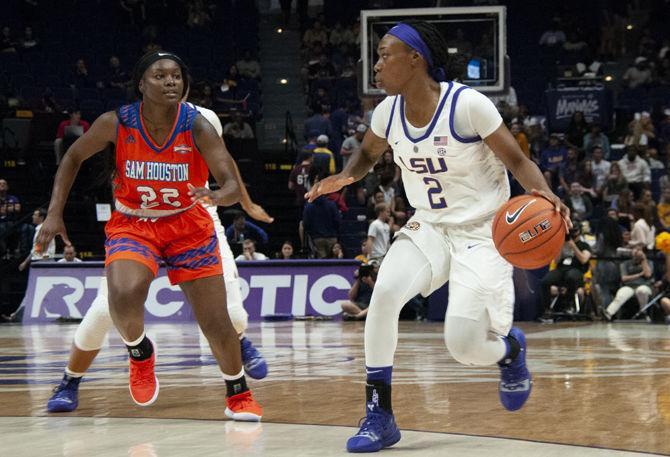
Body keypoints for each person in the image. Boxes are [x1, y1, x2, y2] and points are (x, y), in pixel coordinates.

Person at [306, 21, 569, 453]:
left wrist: (547, 194)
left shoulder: (468, 105)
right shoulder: (386, 113)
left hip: (485, 232)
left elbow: (518, 161)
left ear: (416, 59)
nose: (376, 63)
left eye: (385, 53)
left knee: (463, 346)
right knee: (386, 293)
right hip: (429, 224)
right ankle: (379, 414)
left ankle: (509, 351)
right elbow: (368, 155)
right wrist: (344, 176)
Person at [36, 51, 262, 421]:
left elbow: (231, 182)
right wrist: (54, 213)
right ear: (142, 84)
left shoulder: (198, 125)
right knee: (121, 296)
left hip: (188, 224)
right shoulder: (117, 123)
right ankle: (139, 353)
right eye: (160, 76)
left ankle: (238, 393)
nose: (171, 81)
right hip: (135, 223)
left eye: (176, 76)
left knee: (217, 320)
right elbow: (73, 157)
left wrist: (220, 195)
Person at [603, 247, 653, 320]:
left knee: (641, 291)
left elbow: (648, 274)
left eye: (639, 250)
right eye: (635, 249)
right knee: (621, 295)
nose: (637, 252)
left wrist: (643, 259)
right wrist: (639, 274)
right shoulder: (625, 263)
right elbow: (624, 278)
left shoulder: (649, 262)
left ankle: (643, 313)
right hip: (629, 286)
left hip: (644, 285)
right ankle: (609, 313)